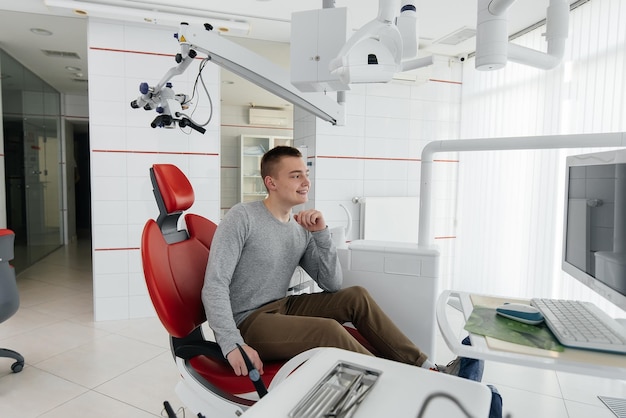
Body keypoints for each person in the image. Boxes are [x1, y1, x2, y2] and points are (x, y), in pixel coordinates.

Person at [201, 146, 501, 418]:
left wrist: (320, 233)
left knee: (355, 296)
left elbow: (332, 283)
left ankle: (426, 369)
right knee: (328, 330)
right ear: (271, 182)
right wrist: (231, 343)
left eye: (306, 174)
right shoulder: (243, 217)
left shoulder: (299, 228)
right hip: (250, 321)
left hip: (283, 306)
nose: (305, 181)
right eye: (295, 175)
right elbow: (214, 283)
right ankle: (403, 389)